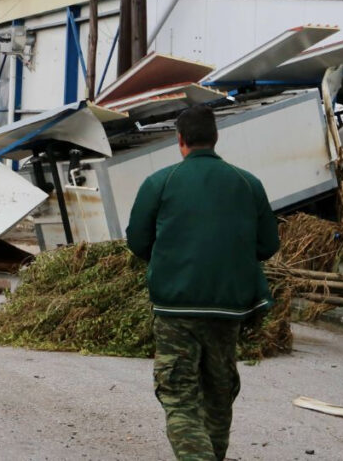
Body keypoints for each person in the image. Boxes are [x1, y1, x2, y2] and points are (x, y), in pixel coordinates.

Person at [126, 104, 279, 461]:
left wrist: (171, 260)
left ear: (179, 140)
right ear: (215, 138)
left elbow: (137, 242)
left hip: (175, 309)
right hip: (229, 309)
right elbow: (268, 245)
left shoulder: (159, 182)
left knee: (179, 395)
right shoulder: (248, 183)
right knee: (218, 393)